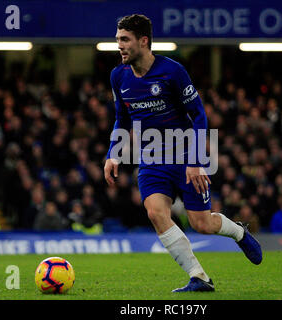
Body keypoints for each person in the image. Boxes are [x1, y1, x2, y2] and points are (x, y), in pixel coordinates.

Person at [103, 14, 262, 293]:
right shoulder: (118, 76)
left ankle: (238, 231)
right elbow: (122, 117)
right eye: (118, 40)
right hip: (151, 159)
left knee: (202, 224)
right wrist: (114, 154)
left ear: (143, 41)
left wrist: (195, 161)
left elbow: (198, 115)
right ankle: (198, 276)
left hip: (185, 154)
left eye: (125, 40)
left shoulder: (172, 71)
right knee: (155, 213)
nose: (120, 46)